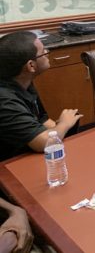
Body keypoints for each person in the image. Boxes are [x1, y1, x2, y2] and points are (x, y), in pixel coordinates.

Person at [0, 31, 82, 161]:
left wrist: (58, 128)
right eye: (43, 52)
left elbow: (43, 121)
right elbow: (43, 142)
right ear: (31, 65)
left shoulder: (24, 83)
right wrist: (65, 123)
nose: (48, 52)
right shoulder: (5, 101)